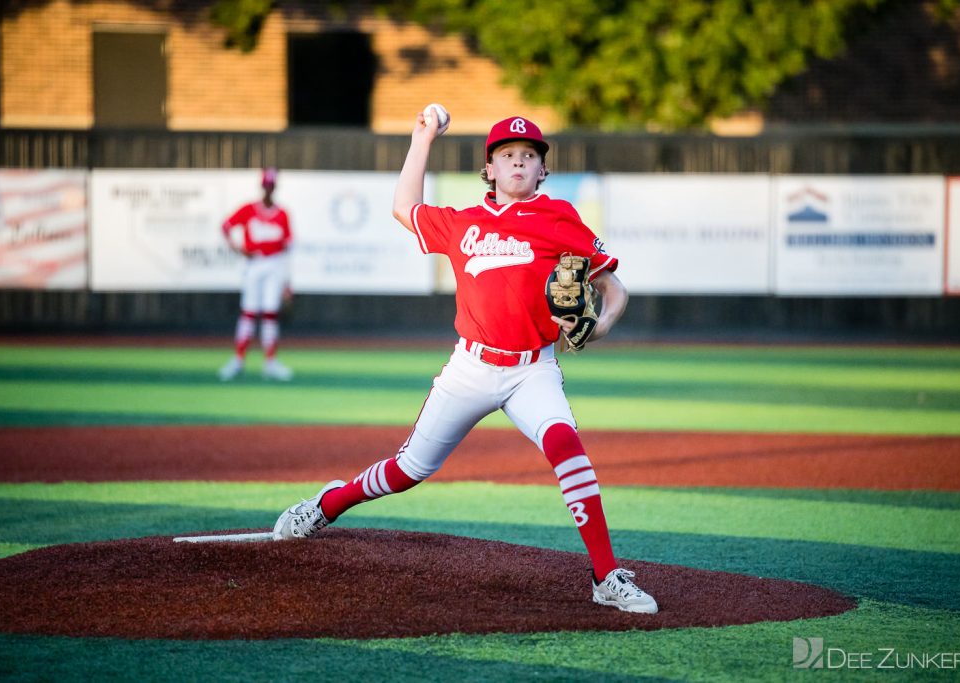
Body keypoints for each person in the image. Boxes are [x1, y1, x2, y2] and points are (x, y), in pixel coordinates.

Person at [273, 113, 657, 614]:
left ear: (542, 170)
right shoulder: (462, 222)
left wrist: (600, 326)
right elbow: (403, 207)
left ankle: (606, 576)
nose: (518, 161)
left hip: (531, 369)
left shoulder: (559, 217)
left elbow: (613, 286)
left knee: (567, 446)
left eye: (529, 155)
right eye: (507, 155)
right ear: (490, 169)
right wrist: (422, 137)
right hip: (469, 368)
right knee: (408, 469)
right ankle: (326, 505)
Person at [218, 168, 294, 382]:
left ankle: (270, 362)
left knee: (270, 312)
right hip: (255, 263)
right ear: (262, 187)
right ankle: (238, 360)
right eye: (266, 186)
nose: (268, 190)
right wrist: (238, 248)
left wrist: (288, 282)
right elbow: (225, 227)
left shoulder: (282, 214)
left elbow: (288, 249)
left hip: (275, 264)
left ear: (275, 188)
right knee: (249, 312)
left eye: (272, 186)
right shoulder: (249, 210)